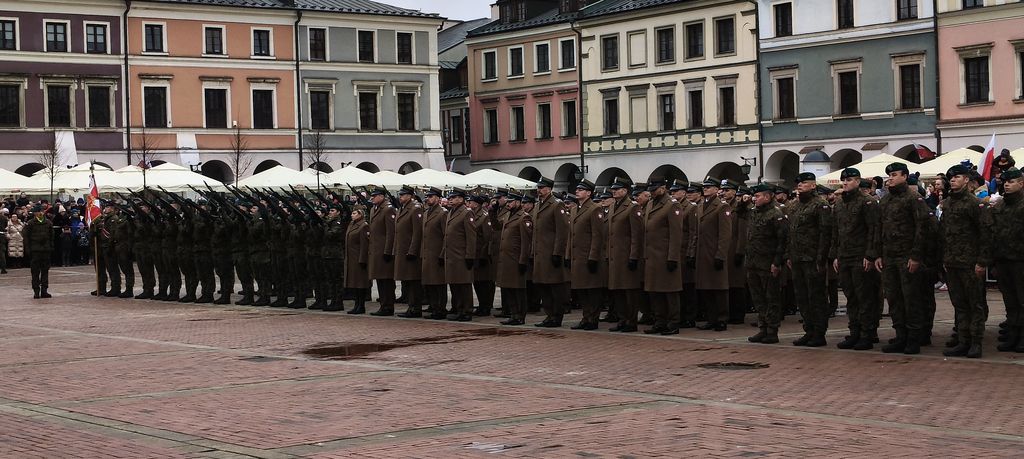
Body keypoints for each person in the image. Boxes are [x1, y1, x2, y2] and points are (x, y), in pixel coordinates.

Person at [878, 162, 931, 355]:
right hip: (889, 257)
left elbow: (922, 229)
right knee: (894, 299)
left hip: (907, 257)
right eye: (889, 175)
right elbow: (879, 229)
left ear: (905, 176)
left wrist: (916, 256)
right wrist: (878, 254)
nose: (890, 178)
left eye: (894, 174)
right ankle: (900, 336)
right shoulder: (885, 201)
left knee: (911, 299)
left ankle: (914, 338)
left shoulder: (914, 198)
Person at [940, 164, 990, 358]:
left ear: (966, 180)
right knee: (959, 304)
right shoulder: (948, 203)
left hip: (970, 262)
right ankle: (963, 340)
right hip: (952, 262)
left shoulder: (974, 204)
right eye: (950, 178)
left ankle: (976, 342)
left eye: (957, 177)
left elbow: (985, 233)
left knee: (975, 304)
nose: (952, 180)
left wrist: (982, 261)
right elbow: (943, 233)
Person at [830, 168, 881, 350]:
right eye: (843, 180)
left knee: (865, 297)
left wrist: (871, 254)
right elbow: (836, 232)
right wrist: (835, 255)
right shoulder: (840, 204)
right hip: (845, 256)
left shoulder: (867, 202)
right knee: (851, 297)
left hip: (861, 256)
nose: (845, 183)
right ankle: (855, 332)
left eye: (850, 180)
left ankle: (868, 334)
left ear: (858, 182)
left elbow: (874, 230)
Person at [786, 172, 833, 347]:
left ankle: (819, 333)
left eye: (804, 183)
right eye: (798, 183)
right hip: (797, 258)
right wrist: (788, 255)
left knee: (816, 297)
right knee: (802, 297)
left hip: (813, 258)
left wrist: (821, 259)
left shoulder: (820, 205)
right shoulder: (794, 206)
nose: (799, 185)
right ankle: (809, 330)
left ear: (813, 185)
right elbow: (789, 233)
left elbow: (825, 233)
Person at [745, 184, 788, 344]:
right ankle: (763, 328)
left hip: (768, 263)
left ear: (768, 197)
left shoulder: (775, 214)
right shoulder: (754, 213)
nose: (754, 199)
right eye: (754, 196)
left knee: (771, 298)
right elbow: (739, 212)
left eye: (758, 196)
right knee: (758, 298)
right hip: (753, 262)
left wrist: (777, 262)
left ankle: (772, 330)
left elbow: (782, 240)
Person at [990, 167, 1024, 353]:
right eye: (1005, 182)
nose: (1007, 185)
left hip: (1020, 260)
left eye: (1011, 182)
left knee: (1022, 300)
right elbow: (994, 233)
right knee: (1010, 301)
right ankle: (1013, 334)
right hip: (1003, 259)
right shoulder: (1001, 206)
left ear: (1021, 183)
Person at [692, 178, 732, 331]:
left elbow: (725, 234)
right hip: (703, 254)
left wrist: (720, 255)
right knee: (706, 288)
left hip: (714, 253)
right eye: (705, 187)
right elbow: (696, 232)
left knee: (719, 288)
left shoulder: (722, 207)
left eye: (709, 187)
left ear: (717, 190)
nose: (706, 189)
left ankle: (722, 319)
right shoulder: (701, 206)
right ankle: (711, 318)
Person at [531, 177, 570, 327]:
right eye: (538, 188)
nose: (539, 190)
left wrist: (557, 253)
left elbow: (562, 231)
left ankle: (557, 316)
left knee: (555, 287)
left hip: (551, 253)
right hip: (540, 254)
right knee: (543, 286)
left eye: (542, 188)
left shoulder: (556, 205)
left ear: (549, 189)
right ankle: (549, 315)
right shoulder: (537, 206)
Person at [568, 179, 607, 330]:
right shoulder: (574, 210)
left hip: (589, 256)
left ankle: (593, 319)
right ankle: (586, 317)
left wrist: (593, 257)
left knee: (592, 290)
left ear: (589, 193)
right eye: (577, 189)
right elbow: (572, 235)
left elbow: (598, 235)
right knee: (581, 289)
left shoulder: (595, 209)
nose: (577, 191)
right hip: (577, 257)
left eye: (581, 189)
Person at [494, 193, 532, 325]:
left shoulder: (524, 218)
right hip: (506, 259)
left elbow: (526, 242)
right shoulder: (507, 216)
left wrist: (523, 260)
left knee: (518, 289)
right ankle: (514, 314)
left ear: (518, 202)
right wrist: (492, 212)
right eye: (508, 202)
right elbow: (496, 226)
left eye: (511, 202)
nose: (508, 204)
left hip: (516, 260)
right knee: (509, 288)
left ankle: (520, 315)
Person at [443, 189, 476, 321]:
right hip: (451, 255)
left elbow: (471, 237)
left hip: (461, 255)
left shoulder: (466, 213)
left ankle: (467, 311)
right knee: (455, 284)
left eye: (454, 197)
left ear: (461, 199)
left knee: (464, 284)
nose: (450, 199)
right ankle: (458, 309)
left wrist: (470, 256)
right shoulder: (452, 212)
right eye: (450, 197)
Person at [367, 188, 397, 315]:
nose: (372, 198)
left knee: (386, 280)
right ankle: (383, 305)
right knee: (380, 279)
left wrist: (388, 250)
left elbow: (391, 232)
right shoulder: (374, 209)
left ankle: (388, 306)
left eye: (374, 196)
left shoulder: (388, 209)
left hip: (384, 250)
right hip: (376, 250)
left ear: (381, 196)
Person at [420, 187, 449, 319]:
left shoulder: (442, 213)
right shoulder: (426, 213)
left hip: (437, 253)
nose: (428, 199)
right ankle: (434, 307)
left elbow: (446, 235)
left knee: (438, 283)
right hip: (427, 253)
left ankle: (440, 309)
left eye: (431, 197)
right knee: (429, 282)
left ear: (438, 198)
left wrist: (443, 253)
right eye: (427, 197)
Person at [22, 206, 54, 298]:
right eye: (38, 212)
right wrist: (28, 249)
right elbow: (26, 237)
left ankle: (44, 290)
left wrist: (51, 247)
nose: (40, 213)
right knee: (35, 272)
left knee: (45, 271)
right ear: (34, 213)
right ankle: (36, 291)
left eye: (41, 211)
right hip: (35, 251)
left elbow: (52, 236)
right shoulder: (30, 223)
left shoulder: (48, 223)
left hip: (45, 250)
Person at [345, 208, 371, 314]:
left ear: (360, 214)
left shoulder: (363, 226)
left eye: (354, 213)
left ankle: (361, 305)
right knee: (355, 283)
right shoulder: (352, 224)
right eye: (352, 213)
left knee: (360, 283)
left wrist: (362, 259)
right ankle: (356, 304)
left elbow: (364, 245)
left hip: (359, 258)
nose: (352, 215)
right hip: (351, 258)